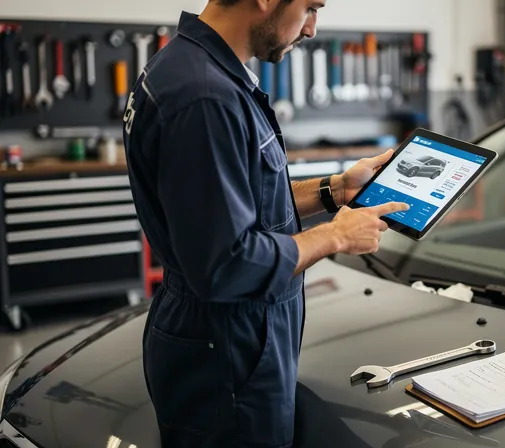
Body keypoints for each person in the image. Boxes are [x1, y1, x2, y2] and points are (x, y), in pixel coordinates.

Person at [121, 0, 409, 446]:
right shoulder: (205, 97)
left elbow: (236, 199)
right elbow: (226, 263)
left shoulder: (188, 68)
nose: (312, 28)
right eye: (311, 7)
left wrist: (336, 189)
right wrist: (335, 235)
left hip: (218, 341)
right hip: (226, 354)